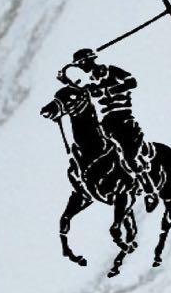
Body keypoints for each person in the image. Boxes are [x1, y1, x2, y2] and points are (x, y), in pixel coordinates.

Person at [62, 47, 158, 211]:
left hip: (123, 118)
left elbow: (132, 82)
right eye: (79, 65)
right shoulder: (90, 82)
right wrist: (65, 80)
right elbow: (79, 93)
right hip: (106, 123)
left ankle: (150, 191)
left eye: (82, 63)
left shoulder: (111, 71)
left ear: (90, 60)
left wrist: (108, 90)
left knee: (129, 157)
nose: (81, 67)